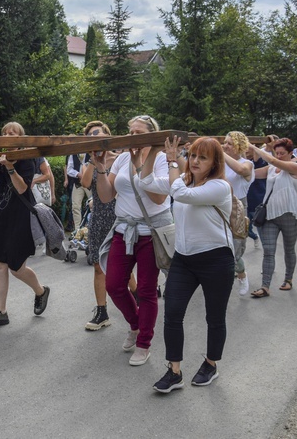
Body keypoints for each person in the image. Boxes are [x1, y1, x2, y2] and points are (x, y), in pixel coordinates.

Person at [139, 136, 234, 393]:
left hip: (216, 259)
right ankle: (174, 371)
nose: (195, 161)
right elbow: (145, 181)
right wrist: (155, 152)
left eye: (202, 157)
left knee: (214, 317)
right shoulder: (181, 180)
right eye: (192, 155)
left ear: (214, 163)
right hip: (183, 259)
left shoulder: (219, 187)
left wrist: (172, 163)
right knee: (172, 313)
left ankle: (210, 364)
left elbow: (182, 193)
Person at [94, 114, 171, 366]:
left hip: (151, 233)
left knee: (148, 291)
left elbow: (160, 199)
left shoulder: (160, 159)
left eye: (139, 133)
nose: (133, 137)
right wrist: (101, 168)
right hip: (124, 230)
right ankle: (136, 325)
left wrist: (140, 166)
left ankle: (144, 343)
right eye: (130, 132)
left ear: (151, 133)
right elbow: (106, 196)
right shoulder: (122, 158)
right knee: (114, 285)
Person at [0, 122, 50, 329]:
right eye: (4, 132)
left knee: (16, 267)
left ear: (20, 137)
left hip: (21, 217)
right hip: (2, 216)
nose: (7, 135)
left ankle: (41, 291)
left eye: (12, 133)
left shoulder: (28, 158)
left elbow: (23, 188)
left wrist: (10, 167)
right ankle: (1, 312)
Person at [79, 120, 131, 331]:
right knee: (98, 266)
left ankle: (136, 299)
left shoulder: (121, 158)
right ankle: (102, 311)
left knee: (125, 268)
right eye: (90, 135)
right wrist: (94, 159)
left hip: (120, 215)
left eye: (98, 133)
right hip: (100, 216)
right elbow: (84, 183)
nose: (95, 136)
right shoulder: (88, 161)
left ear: (107, 135)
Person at [247, 139, 297, 297]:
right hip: (270, 214)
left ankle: (288, 279)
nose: (278, 156)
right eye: (276, 153)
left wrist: (253, 147)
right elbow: (251, 174)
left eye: (282, 154)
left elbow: (272, 160)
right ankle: (265, 286)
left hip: (290, 215)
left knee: (289, 249)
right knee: (269, 251)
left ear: (290, 153)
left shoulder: (295, 167)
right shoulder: (271, 168)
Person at [221, 131, 254, 295]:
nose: (225, 146)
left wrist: (220, 153)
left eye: (229, 143)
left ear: (239, 147)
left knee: (234, 249)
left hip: (237, 208)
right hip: (218, 206)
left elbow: (241, 170)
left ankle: (241, 274)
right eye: (224, 142)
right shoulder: (219, 161)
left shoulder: (247, 163)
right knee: (216, 246)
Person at [67, 150, 92, 230]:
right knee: (75, 206)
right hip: (78, 184)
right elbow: (69, 169)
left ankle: (91, 228)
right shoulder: (73, 154)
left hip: (90, 184)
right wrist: (78, 174)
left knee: (93, 206)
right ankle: (77, 230)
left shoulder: (92, 152)